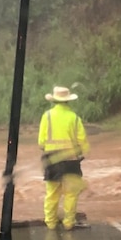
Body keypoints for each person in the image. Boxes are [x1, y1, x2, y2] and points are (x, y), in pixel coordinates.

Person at [38, 86, 90, 230]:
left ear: (54, 100)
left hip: (52, 160)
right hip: (71, 161)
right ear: (68, 101)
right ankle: (68, 223)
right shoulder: (74, 118)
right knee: (71, 194)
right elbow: (82, 142)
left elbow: (41, 142)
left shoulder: (46, 116)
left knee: (52, 194)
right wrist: (82, 152)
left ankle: (51, 223)